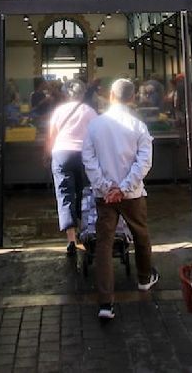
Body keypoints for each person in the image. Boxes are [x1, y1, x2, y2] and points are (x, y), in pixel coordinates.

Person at [82, 78, 157, 321]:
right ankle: (144, 279)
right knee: (140, 234)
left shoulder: (95, 126)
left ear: (111, 97)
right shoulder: (138, 125)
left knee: (103, 244)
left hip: (105, 196)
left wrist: (106, 187)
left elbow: (88, 160)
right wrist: (124, 187)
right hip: (132, 194)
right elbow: (144, 162)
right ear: (133, 98)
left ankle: (106, 303)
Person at [45, 80, 98, 256]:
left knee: (65, 194)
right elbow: (97, 136)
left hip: (61, 154)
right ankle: (86, 232)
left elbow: (51, 136)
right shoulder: (90, 111)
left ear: (67, 94)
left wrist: (48, 154)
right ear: (83, 94)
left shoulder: (59, 111)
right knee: (85, 193)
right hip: (83, 155)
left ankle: (71, 240)